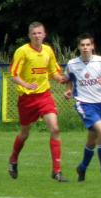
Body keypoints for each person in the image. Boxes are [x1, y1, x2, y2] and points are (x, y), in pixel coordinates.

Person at [8, 21, 68, 182]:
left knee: (55, 128)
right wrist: (26, 84)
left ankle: (57, 171)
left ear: (44, 34)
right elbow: (13, 75)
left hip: (44, 96)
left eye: (39, 33)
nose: (37, 36)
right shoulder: (23, 51)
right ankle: (13, 159)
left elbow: (53, 72)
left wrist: (62, 79)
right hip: (27, 99)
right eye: (33, 33)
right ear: (29, 36)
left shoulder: (48, 50)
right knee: (24, 134)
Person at [63, 33, 101, 181]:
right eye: (82, 45)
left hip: (100, 105)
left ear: (92, 46)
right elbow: (68, 79)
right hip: (84, 104)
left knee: (92, 141)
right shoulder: (72, 64)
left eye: (87, 45)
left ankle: (82, 168)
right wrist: (69, 90)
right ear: (78, 47)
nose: (85, 48)